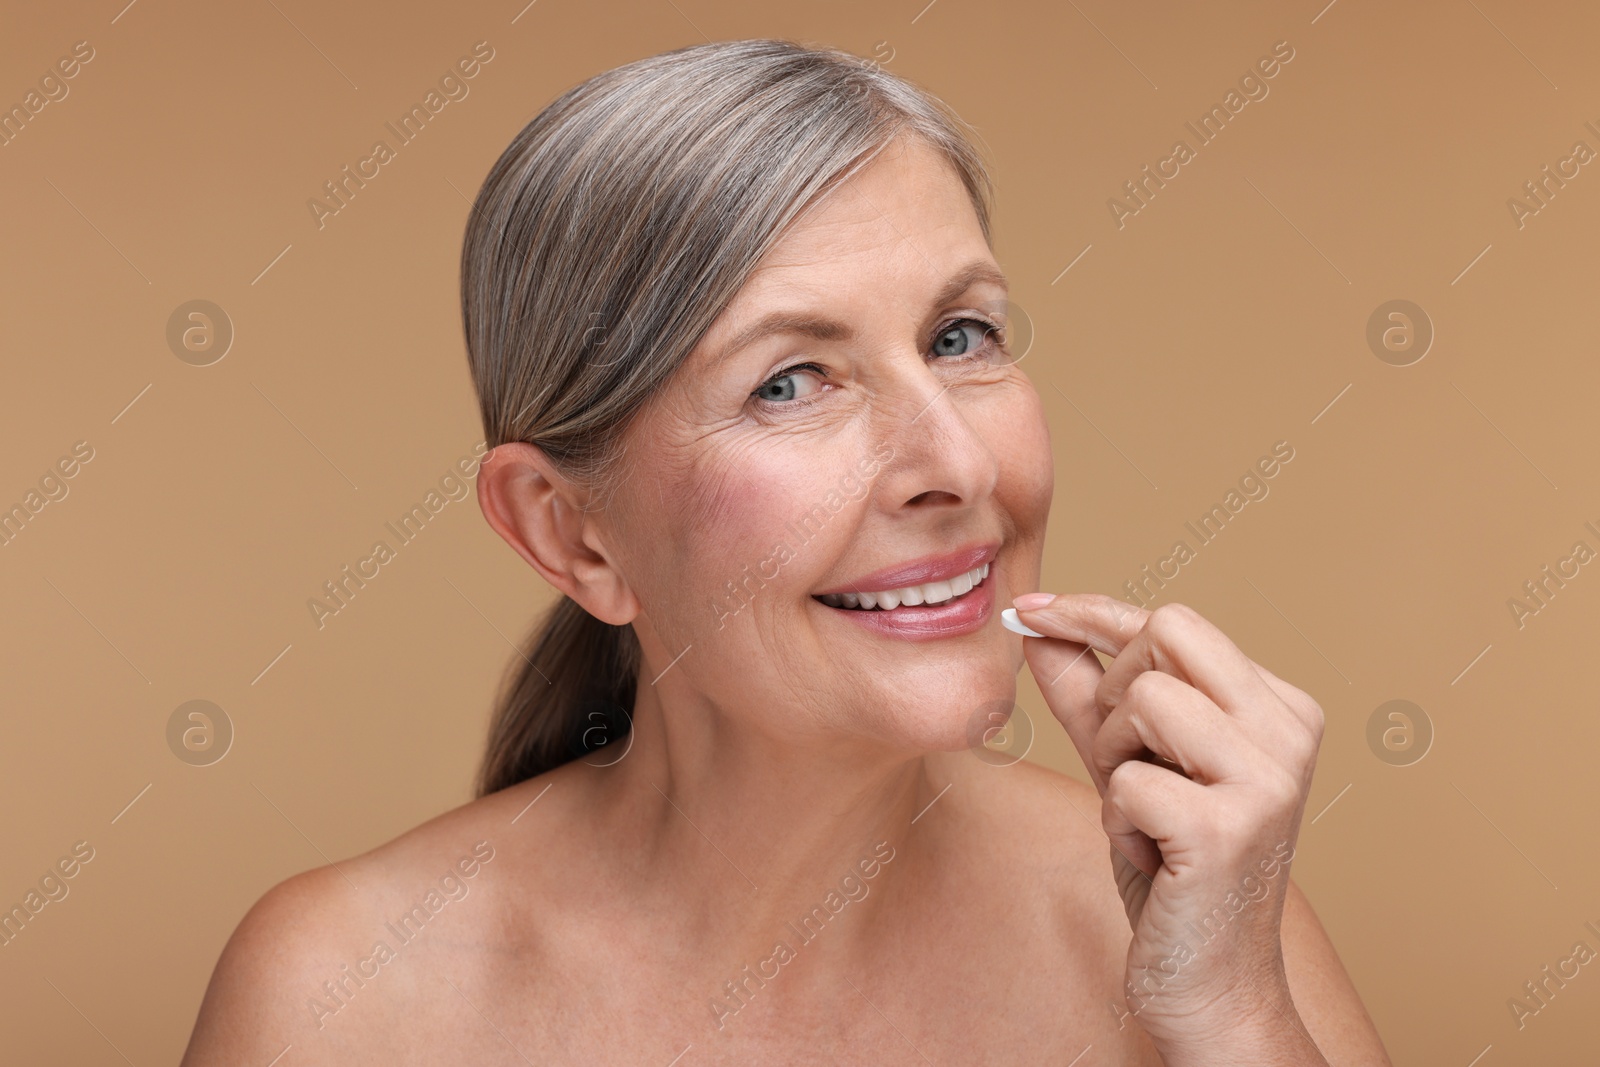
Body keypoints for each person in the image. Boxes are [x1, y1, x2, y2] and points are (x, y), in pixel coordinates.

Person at [182, 38, 1390, 1065]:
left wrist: (1229, 1015)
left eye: (961, 335)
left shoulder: (1204, 930)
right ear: (571, 531)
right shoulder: (343, 995)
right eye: (789, 380)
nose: (958, 465)